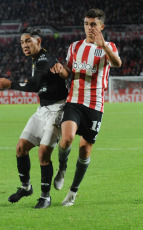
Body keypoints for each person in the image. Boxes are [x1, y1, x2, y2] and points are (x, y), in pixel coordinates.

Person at [50, 9, 122, 206]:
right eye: (86, 24)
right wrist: (60, 70)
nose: (89, 28)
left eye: (93, 24)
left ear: (101, 27)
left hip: (95, 105)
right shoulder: (74, 47)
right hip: (74, 100)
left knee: (84, 150)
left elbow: (117, 63)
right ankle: (62, 168)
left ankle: (72, 193)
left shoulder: (109, 46)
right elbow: (68, 71)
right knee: (67, 138)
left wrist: (104, 46)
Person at [0, 27, 68, 209]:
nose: (24, 45)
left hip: (58, 109)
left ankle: (45, 197)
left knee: (43, 152)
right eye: (22, 42)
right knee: (21, 148)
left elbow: (34, 85)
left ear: (38, 41)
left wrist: (10, 84)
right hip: (42, 109)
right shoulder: (36, 60)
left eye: (28, 41)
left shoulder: (44, 59)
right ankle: (26, 188)